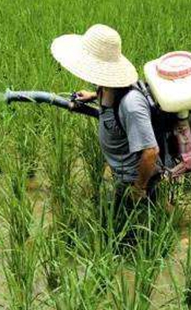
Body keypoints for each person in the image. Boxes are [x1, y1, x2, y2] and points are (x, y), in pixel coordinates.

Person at [50, 24, 164, 240]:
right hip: (121, 172)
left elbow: (151, 152)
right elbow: (109, 105)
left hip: (134, 178)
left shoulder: (131, 104)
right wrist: (93, 96)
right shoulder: (107, 87)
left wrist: (139, 188)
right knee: (119, 219)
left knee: (126, 232)